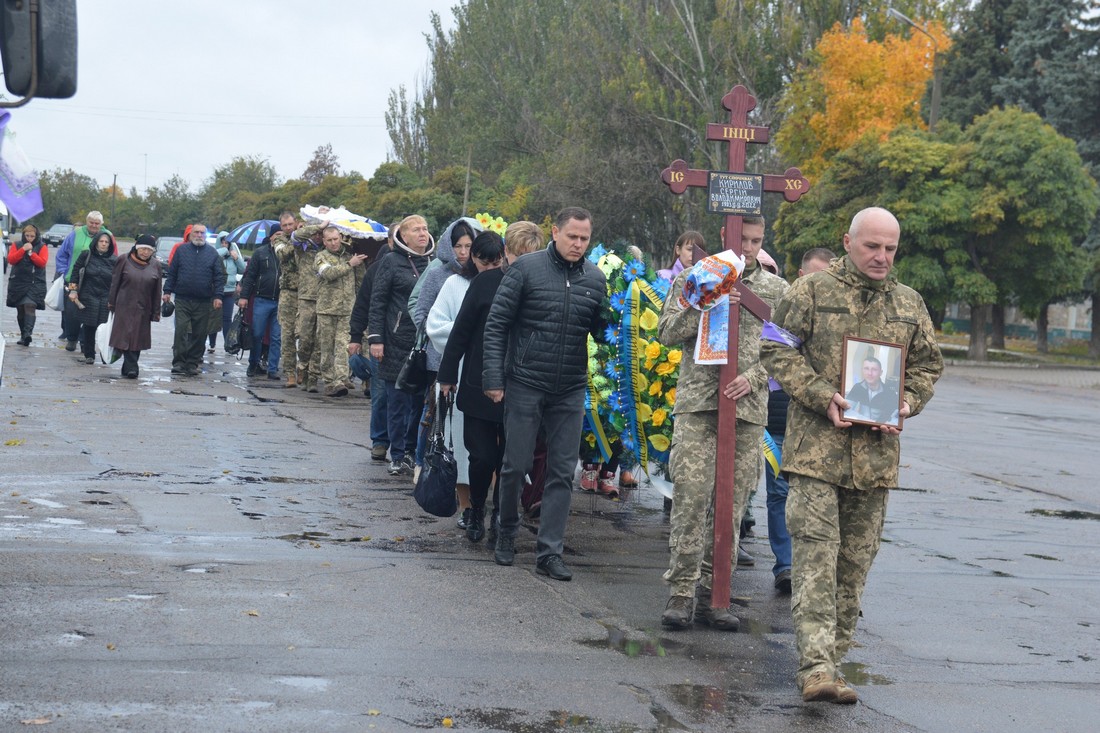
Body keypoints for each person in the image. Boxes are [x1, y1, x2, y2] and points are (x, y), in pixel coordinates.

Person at [761, 207, 943, 704]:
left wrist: (906, 402)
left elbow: (928, 366)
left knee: (853, 570)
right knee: (817, 564)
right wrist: (823, 395)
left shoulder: (909, 304)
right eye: (872, 247)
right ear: (848, 241)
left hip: (876, 463)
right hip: (816, 455)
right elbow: (775, 348)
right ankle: (815, 668)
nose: (882, 256)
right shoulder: (810, 292)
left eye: (890, 249)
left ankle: (833, 665)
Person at [658, 216, 789, 631]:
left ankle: (717, 594)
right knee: (692, 498)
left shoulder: (774, 289)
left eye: (757, 240)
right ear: (725, 237)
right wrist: (702, 301)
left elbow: (788, 350)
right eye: (743, 239)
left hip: (747, 411)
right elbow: (665, 331)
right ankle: (681, 592)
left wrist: (754, 379)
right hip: (699, 404)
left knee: (731, 507)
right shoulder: (696, 277)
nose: (749, 248)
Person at [482, 207, 606, 581]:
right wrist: (493, 377)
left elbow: (599, 331)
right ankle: (505, 530)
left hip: (569, 387)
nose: (578, 244)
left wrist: (617, 322)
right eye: (572, 236)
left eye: (584, 239)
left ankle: (549, 552)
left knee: (561, 471)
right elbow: (497, 323)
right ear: (555, 232)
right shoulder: (526, 269)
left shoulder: (596, 279)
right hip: (524, 381)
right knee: (515, 465)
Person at [439, 224, 544, 542]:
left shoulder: (542, 288)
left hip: (521, 386)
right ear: (507, 254)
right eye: (519, 255)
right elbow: (461, 331)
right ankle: (474, 509)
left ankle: (501, 513)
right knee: (482, 455)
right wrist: (446, 375)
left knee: (510, 459)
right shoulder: (485, 282)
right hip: (479, 383)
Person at [765, 247, 835, 595]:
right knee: (779, 494)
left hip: (822, 426)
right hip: (779, 418)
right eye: (814, 275)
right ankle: (786, 566)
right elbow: (771, 355)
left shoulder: (839, 318)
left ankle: (820, 574)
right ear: (802, 276)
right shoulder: (786, 306)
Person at [422, 220, 480, 532]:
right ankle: (467, 506)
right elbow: (434, 323)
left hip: (490, 376)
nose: (463, 253)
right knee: (458, 443)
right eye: (457, 246)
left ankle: (484, 502)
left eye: (469, 246)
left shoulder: (497, 281)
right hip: (455, 372)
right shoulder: (451, 283)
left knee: (486, 447)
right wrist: (467, 336)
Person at [367, 215, 435, 476]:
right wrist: (376, 339)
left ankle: (410, 451)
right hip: (394, 341)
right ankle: (396, 454)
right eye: (416, 229)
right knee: (396, 402)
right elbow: (378, 302)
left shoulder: (434, 262)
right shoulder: (390, 262)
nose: (422, 233)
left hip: (424, 342)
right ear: (403, 236)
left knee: (418, 402)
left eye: (425, 228)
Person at [348, 223, 397, 461]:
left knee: (406, 398)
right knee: (380, 394)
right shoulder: (376, 269)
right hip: (380, 342)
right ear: (390, 241)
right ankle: (379, 440)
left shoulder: (423, 267)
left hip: (409, 343)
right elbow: (363, 305)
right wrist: (355, 337)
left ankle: (403, 447)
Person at [163, 223, 226, 376]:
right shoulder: (181, 251)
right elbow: (173, 272)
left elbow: (219, 277)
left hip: (204, 301)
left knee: (199, 334)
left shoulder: (212, 253)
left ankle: (192, 363)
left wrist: (218, 296)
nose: (199, 235)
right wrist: (167, 291)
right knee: (181, 331)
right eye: (196, 232)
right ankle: (178, 363)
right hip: (183, 299)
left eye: (202, 233)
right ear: (191, 234)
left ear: (206, 236)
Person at [314, 227, 366, 396]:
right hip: (326, 309)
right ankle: (329, 381)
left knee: (343, 345)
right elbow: (328, 273)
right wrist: (350, 264)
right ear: (324, 241)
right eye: (329, 240)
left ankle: (341, 379)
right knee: (327, 346)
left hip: (346, 309)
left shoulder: (351, 255)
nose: (333, 243)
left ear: (341, 237)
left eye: (336, 239)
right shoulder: (320, 257)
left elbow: (360, 282)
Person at [55, 211, 112, 351]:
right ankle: (72, 338)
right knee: (71, 312)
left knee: (90, 315)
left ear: (101, 224)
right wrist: (64, 271)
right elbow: (62, 254)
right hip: (73, 280)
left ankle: (84, 342)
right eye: (91, 222)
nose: (94, 225)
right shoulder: (76, 233)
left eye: (97, 223)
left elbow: (113, 257)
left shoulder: (108, 236)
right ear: (86, 222)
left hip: (95, 282)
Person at [108, 234, 163, 378]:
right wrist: (111, 302)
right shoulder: (124, 260)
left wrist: (156, 311)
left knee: (138, 338)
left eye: (149, 250)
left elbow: (157, 290)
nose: (145, 253)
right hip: (123, 305)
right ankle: (132, 367)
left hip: (144, 307)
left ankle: (128, 368)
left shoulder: (156, 265)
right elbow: (115, 283)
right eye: (143, 249)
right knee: (126, 337)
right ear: (137, 248)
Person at [66, 232, 118, 364]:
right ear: (96, 242)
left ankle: (104, 355)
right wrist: (73, 290)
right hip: (88, 295)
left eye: (106, 242)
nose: (104, 244)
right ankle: (89, 354)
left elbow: (118, 280)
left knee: (104, 327)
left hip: (105, 297)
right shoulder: (86, 255)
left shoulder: (114, 260)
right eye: (101, 241)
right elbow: (75, 273)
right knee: (89, 326)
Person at [237, 232, 283, 381]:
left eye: (282, 234)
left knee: (276, 337)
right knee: (257, 334)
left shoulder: (288, 253)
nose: (279, 237)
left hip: (280, 301)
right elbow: (250, 276)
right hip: (261, 300)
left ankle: (273, 368)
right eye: (277, 234)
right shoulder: (260, 253)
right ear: (270, 236)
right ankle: (253, 363)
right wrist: (244, 296)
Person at [292, 219, 328, 392]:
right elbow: (296, 236)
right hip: (306, 298)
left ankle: (313, 377)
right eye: (317, 233)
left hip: (324, 299)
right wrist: (317, 226)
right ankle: (302, 367)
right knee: (305, 338)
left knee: (320, 341)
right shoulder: (303, 247)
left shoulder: (328, 250)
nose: (319, 236)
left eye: (322, 233)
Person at [6, 224, 48, 346]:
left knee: (30, 305)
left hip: (35, 282)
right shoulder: (17, 245)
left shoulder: (42, 246)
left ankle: (28, 333)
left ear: (36, 236)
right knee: (20, 308)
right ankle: (23, 335)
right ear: (24, 235)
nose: (29, 238)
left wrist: (31, 253)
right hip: (18, 282)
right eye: (27, 235)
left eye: (32, 236)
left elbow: (42, 263)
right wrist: (23, 250)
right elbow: (11, 260)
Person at [272, 212, 301, 387]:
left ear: (295, 222)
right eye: (285, 226)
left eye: (291, 224)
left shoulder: (306, 237)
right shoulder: (280, 240)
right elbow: (282, 254)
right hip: (288, 293)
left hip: (307, 293)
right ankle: (290, 372)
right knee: (287, 335)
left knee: (306, 335)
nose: (288, 228)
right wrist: (296, 238)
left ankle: (304, 369)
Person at [844, 356, 901, 425]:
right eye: (866, 368)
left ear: (881, 372)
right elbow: (846, 410)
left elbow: (895, 418)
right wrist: (867, 421)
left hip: (881, 431)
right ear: (862, 370)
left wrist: (884, 424)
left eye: (874, 369)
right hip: (861, 427)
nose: (869, 373)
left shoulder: (889, 393)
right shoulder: (858, 388)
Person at [212, 231, 244, 353]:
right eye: (223, 242)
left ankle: (228, 343)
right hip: (216, 291)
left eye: (227, 243)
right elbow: (213, 258)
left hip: (229, 291)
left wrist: (236, 259)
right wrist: (224, 251)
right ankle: (212, 344)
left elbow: (242, 270)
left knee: (226, 319)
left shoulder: (233, 256)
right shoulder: (215, 254)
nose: (225, 244)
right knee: (214, 318)